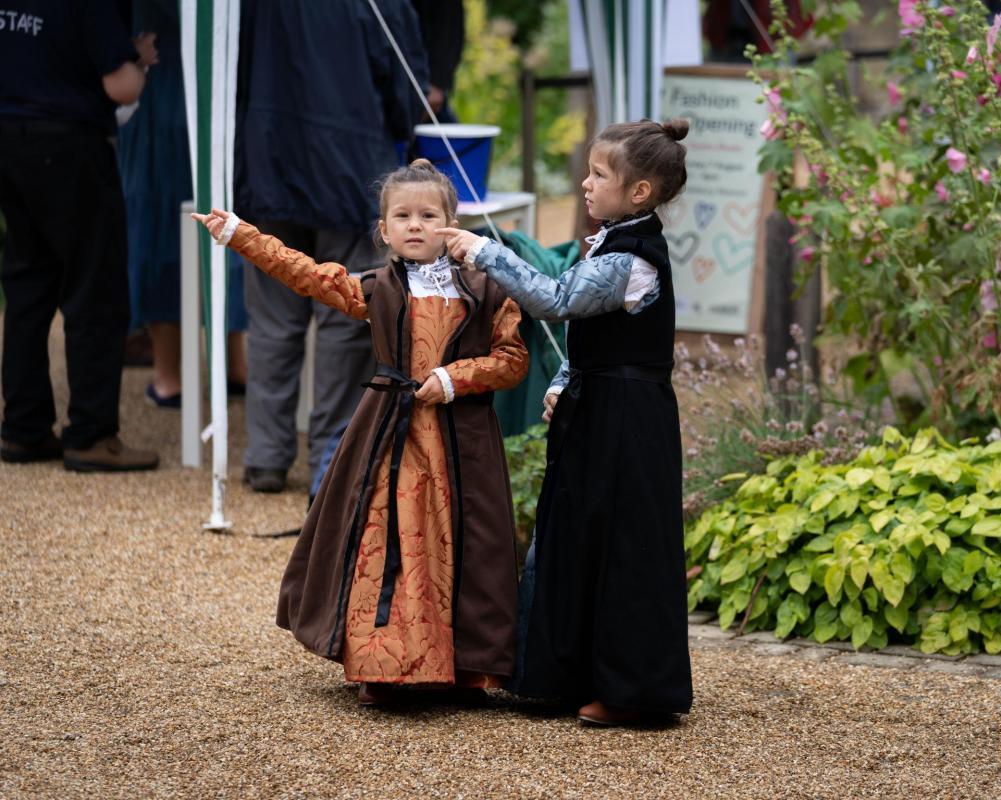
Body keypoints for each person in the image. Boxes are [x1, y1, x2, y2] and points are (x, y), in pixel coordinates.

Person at [192, 159, 530, 706]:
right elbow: (303, 272)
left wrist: (452, 378)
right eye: (403, 215)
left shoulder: (489, 288)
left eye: (428, 214)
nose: (415, 225)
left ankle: (464, 665)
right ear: (383, 229)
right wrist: (241, 235)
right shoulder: (375, 288)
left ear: (452, 222)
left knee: (467, 542)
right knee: (389, 539)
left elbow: (513, 359)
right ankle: (385, 663)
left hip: (463, 442)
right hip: (389, 434)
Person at [440, 118, 694, 726]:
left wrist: (484, 250)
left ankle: (634, 689)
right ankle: (563, 675)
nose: (584, 184)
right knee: (576, 534)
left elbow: (556, 301)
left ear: (640, 192)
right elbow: (595, 333)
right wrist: (562, 381)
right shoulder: (613, 240)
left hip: (630, 422)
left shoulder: (633, 256)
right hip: (599, 409)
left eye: (598, 174)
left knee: (624, 545)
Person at [233, 0, 429, 493]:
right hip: (351, 165)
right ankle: (330, 457)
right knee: (345, 316)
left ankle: (266, 456)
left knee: (274, 321)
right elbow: (404, 86)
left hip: (268, 159)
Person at [0, 0, 160, 471]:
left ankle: (24, 427)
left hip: (10, 137)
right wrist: (140, 61)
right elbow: (122, 85)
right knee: (95, 290)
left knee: (27, 284)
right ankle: (91, 435)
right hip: (70, 141)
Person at [117, 0, 248, 410]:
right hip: (215, 98)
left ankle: (168, 374)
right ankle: (231, 363)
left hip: (157, 99)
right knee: (224, 223)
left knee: (159, 230)